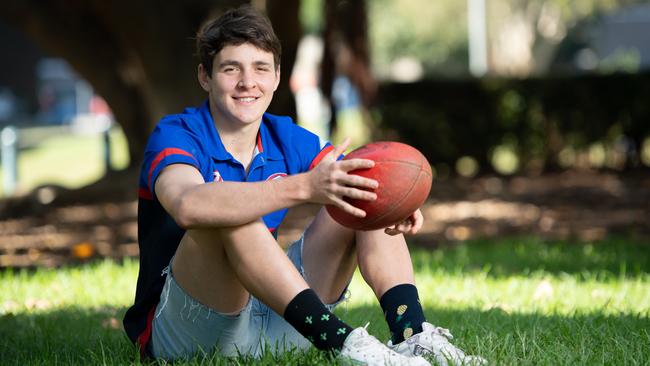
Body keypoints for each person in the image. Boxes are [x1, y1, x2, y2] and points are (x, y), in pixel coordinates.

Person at [123, 6, 484, 366]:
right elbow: (188, 204)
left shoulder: (285, 136)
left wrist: (394, 200)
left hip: (274, 321)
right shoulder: (177, 133)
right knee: (229, 211)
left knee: (361, 193)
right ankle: (344, 344)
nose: (248, 82)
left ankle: (412, 335)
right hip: (188, 329)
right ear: (206, 76)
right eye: (231, 68)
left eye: (261, 68)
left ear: (278, 76)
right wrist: (303, 187)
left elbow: (355, 182)